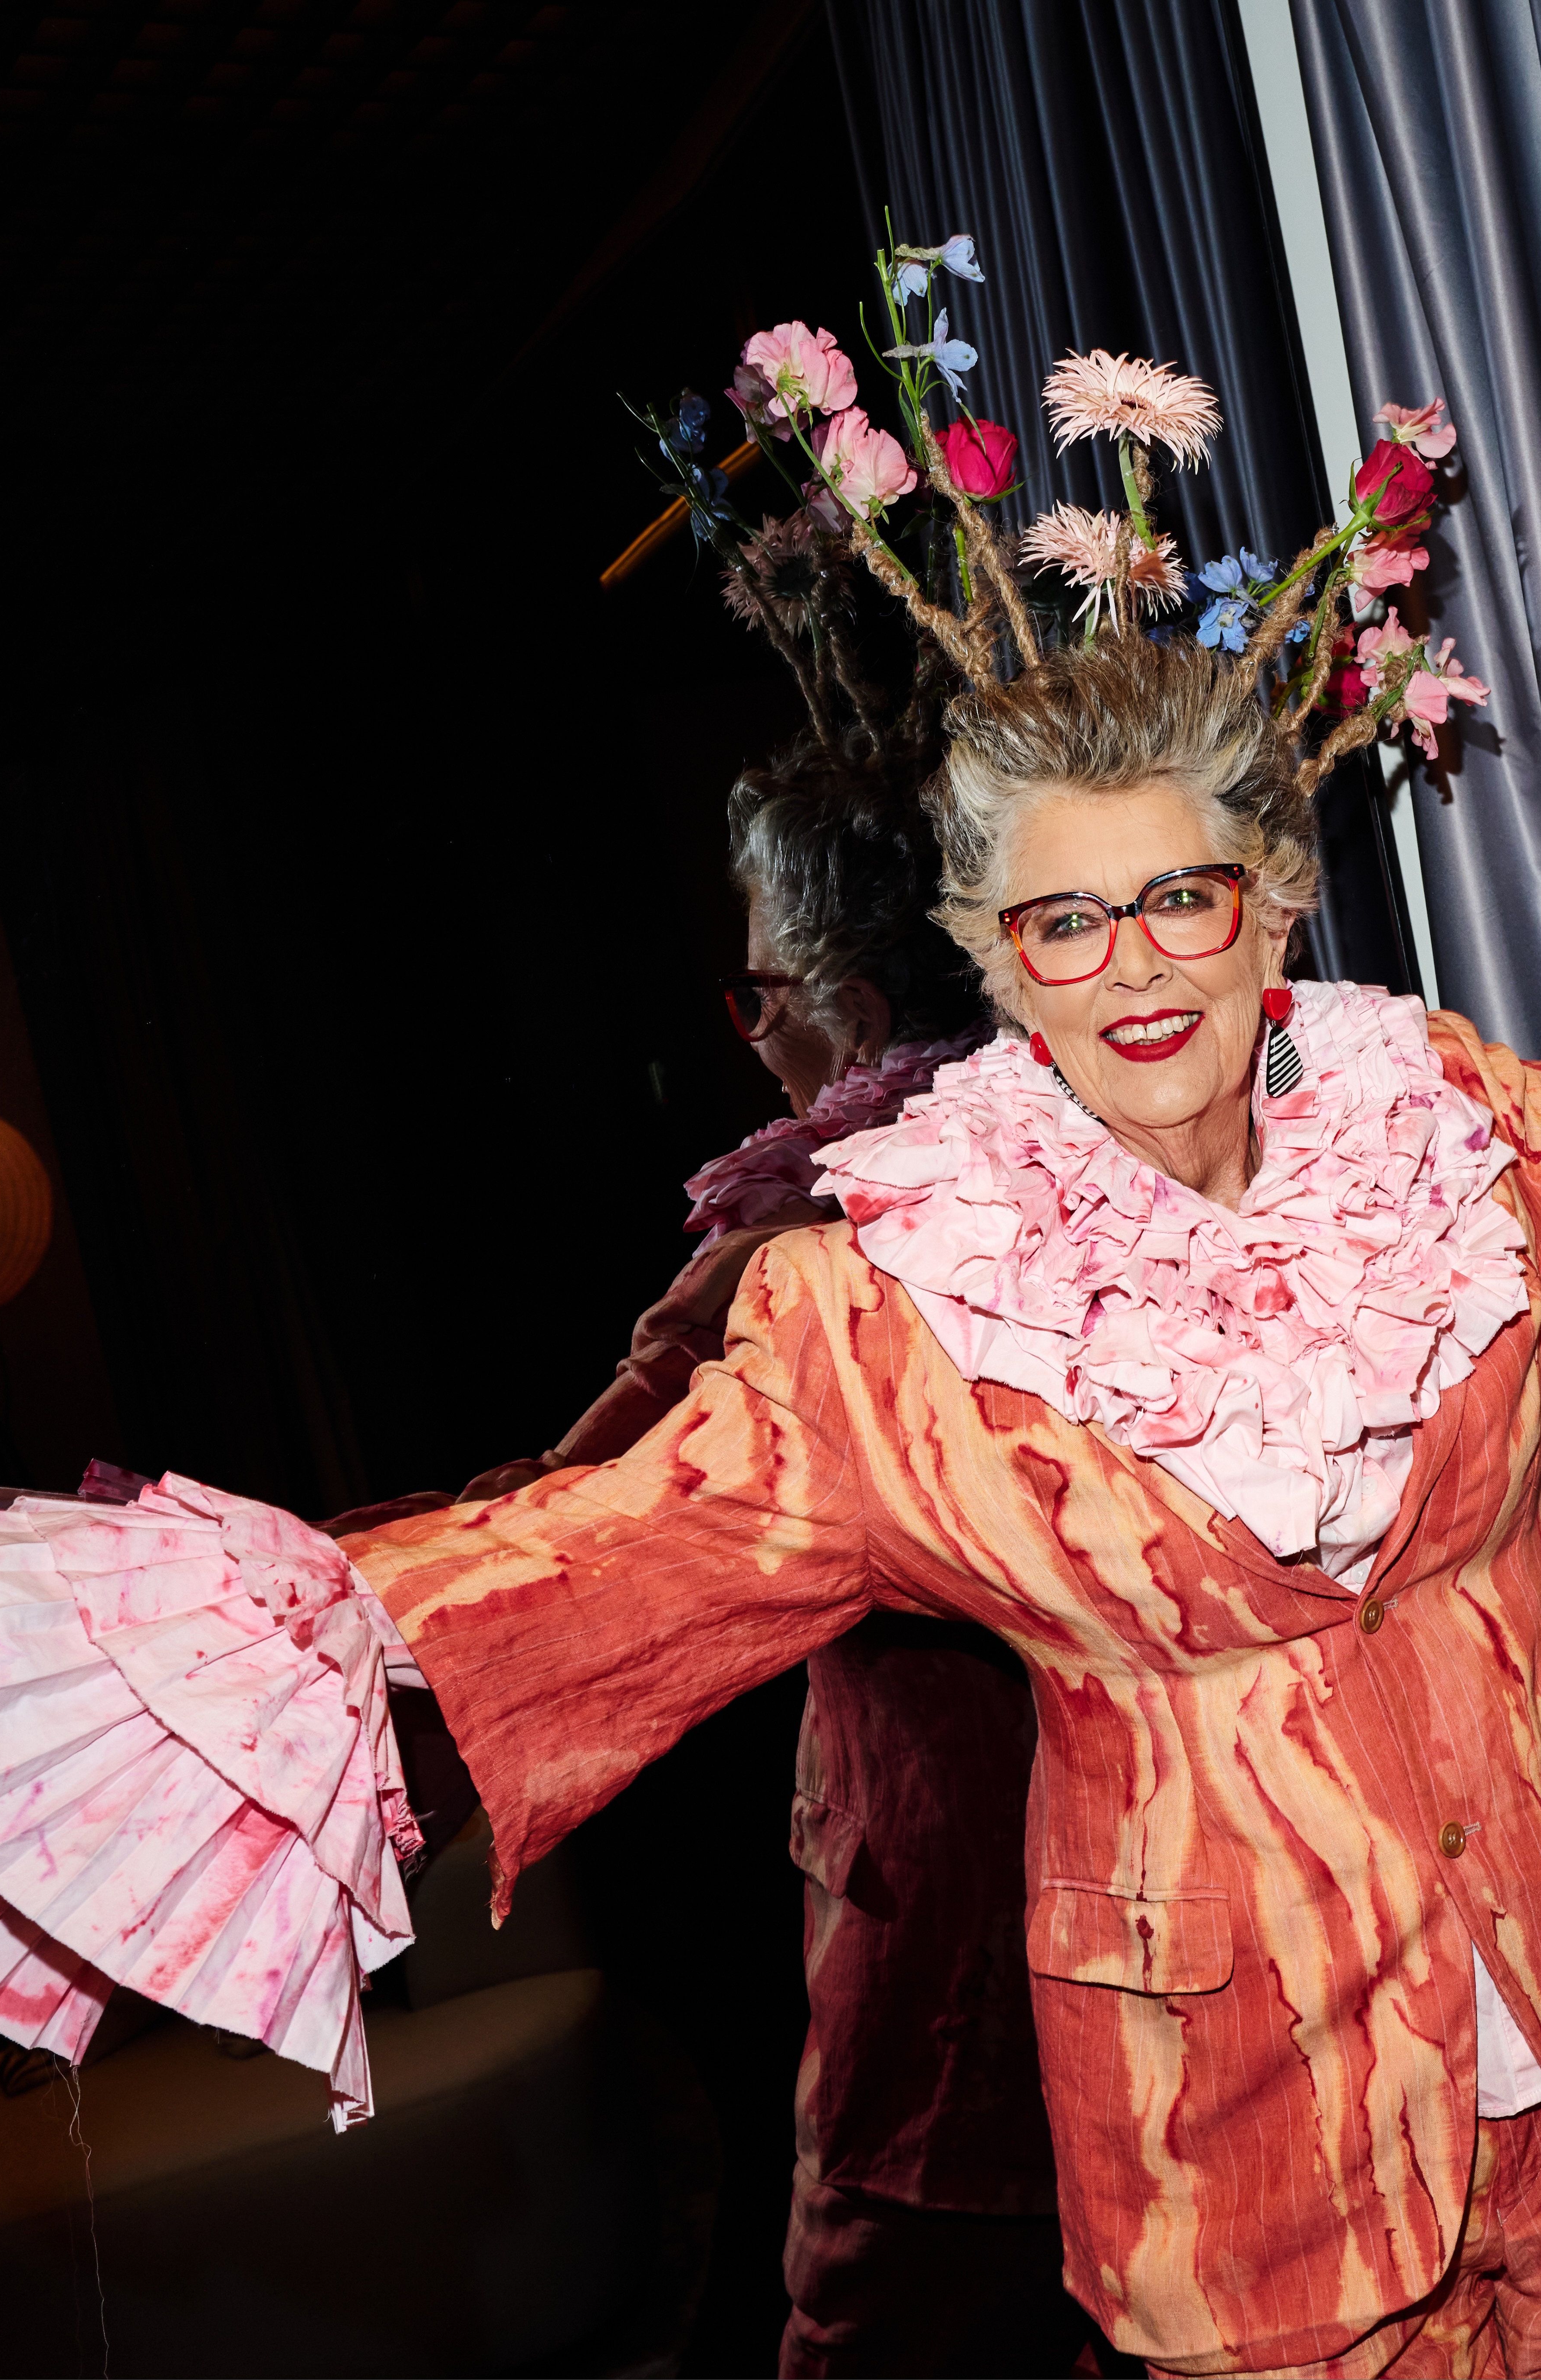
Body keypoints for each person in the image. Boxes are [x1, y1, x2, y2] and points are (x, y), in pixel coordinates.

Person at [0, 296, 1541, 2373]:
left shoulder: (1447, 1119)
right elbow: (578, 1558)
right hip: (1264, 2154)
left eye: (1178, 897)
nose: (1132, 963)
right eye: (1061, 925)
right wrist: (31, 1634)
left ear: (1269, 900)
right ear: (989, 955)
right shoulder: (882, 1303)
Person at [338, 737, 1084, 2379]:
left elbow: (537, 1529)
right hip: (1153, 1892)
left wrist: (145, 1599)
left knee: (878, 2324)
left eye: (758, 995)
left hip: (944, 1926)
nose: (740, 1035)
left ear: (854, 1010)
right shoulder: (1086, 1157)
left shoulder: (797, 1248)